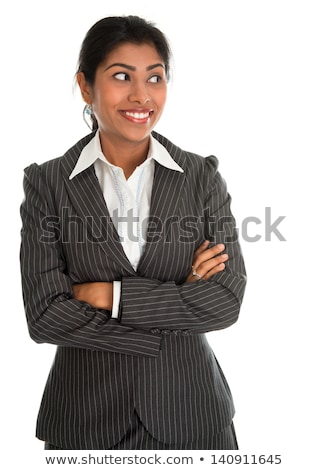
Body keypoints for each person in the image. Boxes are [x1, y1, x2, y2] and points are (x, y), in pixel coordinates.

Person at [20, 15, 247, 450]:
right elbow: (45, 315)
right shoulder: (48, 184)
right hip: (85, 423)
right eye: (121, 76)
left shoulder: (200, 176)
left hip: (192, 415)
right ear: (86, 87)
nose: (141, 96)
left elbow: (224, 302)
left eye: (155, 77)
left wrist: (110, 295)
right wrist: (180, 296)